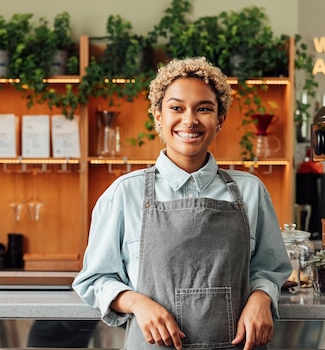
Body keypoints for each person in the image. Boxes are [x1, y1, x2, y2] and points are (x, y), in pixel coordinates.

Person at [73, 57, 292, 350]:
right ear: (158, 117)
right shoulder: (125, 193)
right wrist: (138, 304)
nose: (189, 120)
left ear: (220, 120)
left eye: (204, 109)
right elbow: (96, 279)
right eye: (176, 108)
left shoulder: (251, 191)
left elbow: (270, 269)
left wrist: (261, 297)